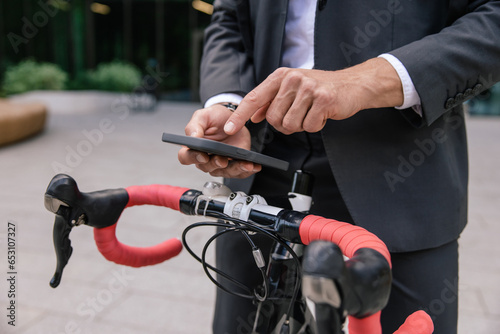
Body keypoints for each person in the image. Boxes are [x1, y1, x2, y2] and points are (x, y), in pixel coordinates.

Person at [178, 0, 500, 333]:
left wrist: (367, 80)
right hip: (261, 166)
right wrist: (230, 105)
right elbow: (230, 17)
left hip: (401, 172)